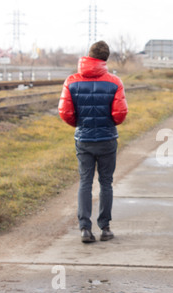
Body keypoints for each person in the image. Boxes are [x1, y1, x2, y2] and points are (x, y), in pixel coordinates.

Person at [58, 41, 128, 243]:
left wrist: (80, 125)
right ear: (105, 60)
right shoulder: (115, 82)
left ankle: (85, 229)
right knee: (106, 183)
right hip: (107, 139)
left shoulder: (71, 81)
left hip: (84, 140)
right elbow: (120, 113)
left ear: (88, 56)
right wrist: (108, 124)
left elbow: (65, 112)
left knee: (85, 182)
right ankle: (105, 228)